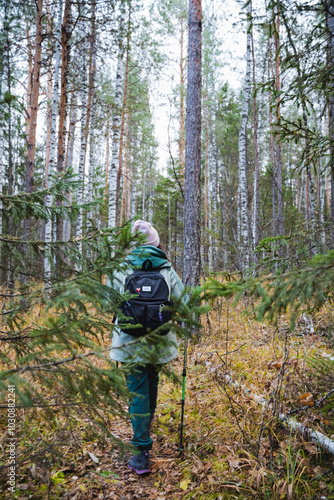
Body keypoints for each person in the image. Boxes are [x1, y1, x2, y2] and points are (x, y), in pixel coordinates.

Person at [110, 220, 186, 474]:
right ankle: (143, 434)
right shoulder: (166, 269)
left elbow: (107, 301)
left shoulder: (121, 269)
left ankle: (141, 450)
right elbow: (183, 302)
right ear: (156, 243)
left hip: (129, 343)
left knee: (138, 392)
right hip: (159, 342)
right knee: (149, 387)